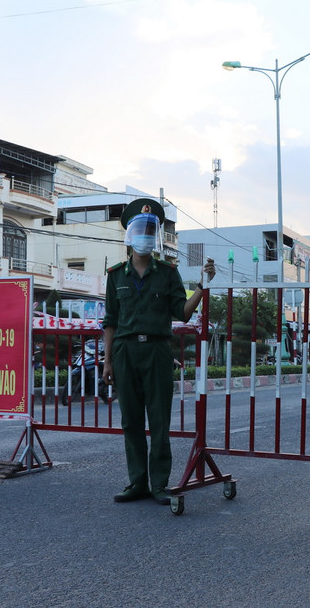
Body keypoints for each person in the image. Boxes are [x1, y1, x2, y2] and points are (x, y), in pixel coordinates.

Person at [103, 199, 215, 506]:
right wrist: (107, 362)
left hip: (156, 351)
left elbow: (182, 313)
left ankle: (160, 485)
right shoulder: (116, 276)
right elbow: (110, 321)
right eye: (139, 230)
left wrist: (202, 287)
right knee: (131, 422)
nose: (143, 237)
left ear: (155, 238)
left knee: (159, 420)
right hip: (125, 352)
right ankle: (137, 482)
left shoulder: (167, 273)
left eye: (149, 231)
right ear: (129, 235)